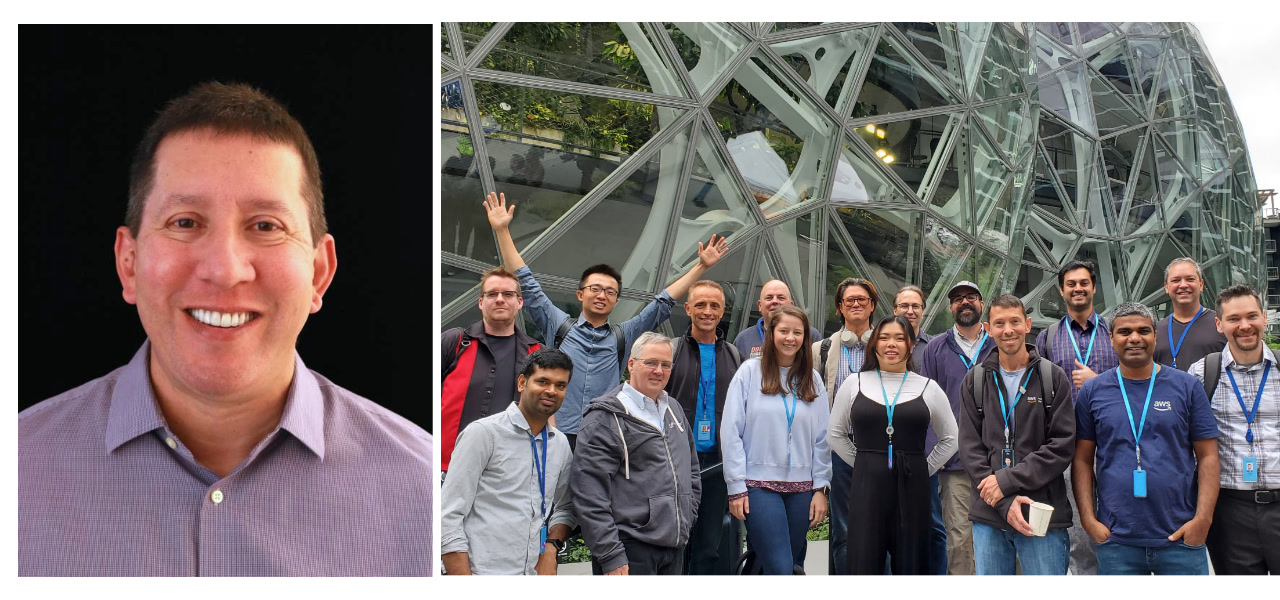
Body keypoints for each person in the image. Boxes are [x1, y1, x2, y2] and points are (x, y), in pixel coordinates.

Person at [17, 82, 432, 576]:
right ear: (128, 263)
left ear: (319, 272)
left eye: (265, 226)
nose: (225, 268)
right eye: (185, 222)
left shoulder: (423, 492)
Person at [484, 192, 727, 448]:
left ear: (616, 300)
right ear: (580, 294)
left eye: (610, 292)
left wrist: (701, 267)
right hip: (555, 433)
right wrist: (502, 231)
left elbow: (662, 303)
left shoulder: (624, 335)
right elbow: (527, 283)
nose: (602, 295)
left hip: (602, 435)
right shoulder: (559, 326)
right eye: (595, 289)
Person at [1073, 302, 1219, 575]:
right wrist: (1088, 519)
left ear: (1155, 335)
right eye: (1125, 331)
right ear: (1111, 338)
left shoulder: (1186, 386)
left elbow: (1208, 455)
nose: (1135, 338)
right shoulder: (1092, 391)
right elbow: (1081, 460)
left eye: (1143, 330)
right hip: (1117, 540)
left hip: (1180, 537)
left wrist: (1203, 519)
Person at [830, 314, 958, 574]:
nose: (892, 344)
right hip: (867, 487)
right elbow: (835, 433)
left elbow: (951, 438)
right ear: (874, 344)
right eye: (884, 337)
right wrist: (865, 462)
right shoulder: (854, 382)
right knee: (864, 560)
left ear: (911, 345)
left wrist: (924, 468)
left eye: (900, 338)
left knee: (911, 561)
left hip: (913, 486)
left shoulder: (928, 387)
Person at [958, 295, 1075, 575]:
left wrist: (1006, 481)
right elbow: (970, 447)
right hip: (990, 512)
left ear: (1028, 324)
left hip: (1042, 510)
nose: (1007, 330)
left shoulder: (1053, 377)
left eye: (1014, 322)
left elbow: (1061, 445)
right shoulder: (975, 380)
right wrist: (1004, 500)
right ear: (988, 329)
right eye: (999, 323)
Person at [571, 332, 700, 575]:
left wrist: (687, 517)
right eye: (650, 362)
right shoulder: (604, 417)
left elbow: (691, 470)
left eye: (665, 365)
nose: (659, 371)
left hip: (673, 547)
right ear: (631, 364)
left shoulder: (673, 409)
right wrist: (610, 553)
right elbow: (589, 492)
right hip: (628, 550)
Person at [441, 349, 576, 575]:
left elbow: (567, 505)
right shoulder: (483, 434)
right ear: (522, 382)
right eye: (543, 381)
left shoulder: (559, 444)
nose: (551, 391)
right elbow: (448, 515)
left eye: (560, 385)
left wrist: (551, 548)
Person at [722, 305, 831, 575]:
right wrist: (736, 486)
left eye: (798, 332)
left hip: (802, 488)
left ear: (806, 338)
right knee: (782, 568)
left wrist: (821, 488)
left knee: (778, 564)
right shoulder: (749, 372)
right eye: (784, 331)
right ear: (771, 334)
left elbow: (822, 439)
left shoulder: (813, 380)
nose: (790, 338)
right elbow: (731, 431)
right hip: (758, 485)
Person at [1188, 285, 1280, 574]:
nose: (1244, 326)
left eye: (1252, 316)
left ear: (1264, 318)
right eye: (1233, 319)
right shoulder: (1201, 373)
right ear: (1219, 324)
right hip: (1230, 511)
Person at [1034, 259, 1118, 575]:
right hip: (1068, 440)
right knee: (1080, 520)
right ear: (1062, 290)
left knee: (1115, 509)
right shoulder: (1049, 336)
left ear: (1094, 288)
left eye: (1083, 283)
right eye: (1071, 284)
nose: (1078, 289)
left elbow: (1135, 378)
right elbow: (1038, 390)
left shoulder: (1115, 330)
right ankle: (1085, 578)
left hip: (1114, 437)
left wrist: (1099, 380)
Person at [664, 281, 744, 574]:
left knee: (709, 546)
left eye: (714, 305)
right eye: (700, 305)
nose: (707, 312)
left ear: (723, 310)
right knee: (675, 541)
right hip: (677, 463)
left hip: (717, 466)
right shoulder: (670, 353)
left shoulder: (736, 357)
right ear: (688, 308)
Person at [918, 281, 997, 575]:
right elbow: (927, 405)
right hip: (955, 462)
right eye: (958, 299)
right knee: (960, 538)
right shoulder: (936, 348)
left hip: (1000, 460)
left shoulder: (998, 343)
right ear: (950, 307)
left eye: (971, 298)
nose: (965, 303)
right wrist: (933, 455)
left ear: (981, 304)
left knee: (1005, 533)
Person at [440, 267, 541, 474]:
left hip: (503, 474)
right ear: (481, 302)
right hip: (446, 468)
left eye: (508, 294)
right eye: (492, 294)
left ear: (519, 302)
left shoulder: (536, 353)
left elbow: (544, 411)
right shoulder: (456, 342)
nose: (500, 299)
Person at [811, 276, 876, 574]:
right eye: (849, 300)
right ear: (839, 308)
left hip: (877, 451)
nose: (856, 305)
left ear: (872, 305)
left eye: (862, 299)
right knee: (843, 531)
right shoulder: (820, 350)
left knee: (878, 526)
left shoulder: (888, 346)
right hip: (837, 452)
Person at [894, 284, 947, 573]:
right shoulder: (883, 343)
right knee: (891, 523)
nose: (910, 311)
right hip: (888, 451)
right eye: (904, 306)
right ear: (894, 309)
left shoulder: (935, 347)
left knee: (933, 523)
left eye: (915, 306)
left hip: (925, 453)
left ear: (923, 311)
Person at [1153, 258, 1226, 371]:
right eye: (1176, 280)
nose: (1183, 285)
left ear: (1201, 285)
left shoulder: (1221, 325)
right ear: (1166, 287)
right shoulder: (1156, 330)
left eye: (1190, 279)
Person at [733, 279, 822, 359]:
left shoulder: (811, 336)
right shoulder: (743, 339)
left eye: (781, 298)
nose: (775, 301)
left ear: (790, 305)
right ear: (760, 306)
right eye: (769, 298)